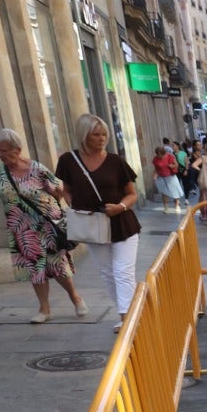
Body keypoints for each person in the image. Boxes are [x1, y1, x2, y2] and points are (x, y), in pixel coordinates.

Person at [0, 127, 86, 323]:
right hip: (21, 228)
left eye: (3, 150)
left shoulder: (37, 169)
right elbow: (3, 193)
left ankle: (75, 297)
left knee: (58, 266)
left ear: (16, 149)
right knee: (35, 269)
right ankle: (44, 309)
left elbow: (59, 192)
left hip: (46, 225)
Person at [57, 113, 141, 333]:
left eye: (105, 134)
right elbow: (66, 189)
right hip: (92, 226)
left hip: (122, 224)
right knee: (108, 273)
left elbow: (132, 194)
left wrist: (120, 207)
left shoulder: (116, 161)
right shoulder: (69, 160)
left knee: (123, 271)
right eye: (96, 134)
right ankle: (128, 312)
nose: (102, 138)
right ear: (85, 136)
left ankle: (128, 318)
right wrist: (74, 206)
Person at [152, 145, 185, 213]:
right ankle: (166, 207)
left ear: (163, 153)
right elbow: (156, 168)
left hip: (171, 176)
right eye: (157, 154)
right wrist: (155, 175)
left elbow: (176, 165)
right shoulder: (155, 159)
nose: (159, 156)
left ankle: (177, 206)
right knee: (164, 192)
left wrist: (171, 166)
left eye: (160, 154)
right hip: (161, 177)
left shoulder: (170, 156)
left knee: (174, 191)